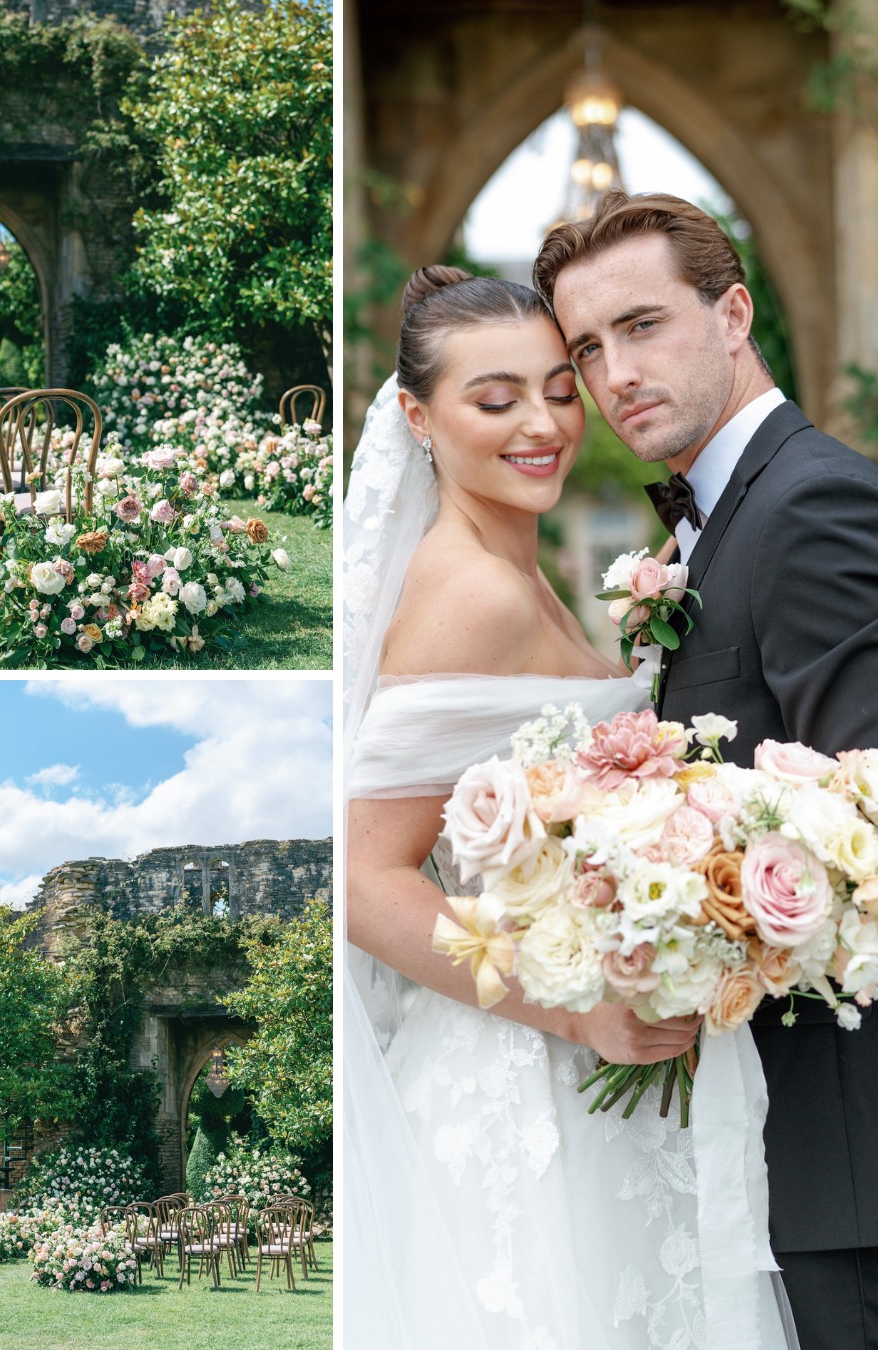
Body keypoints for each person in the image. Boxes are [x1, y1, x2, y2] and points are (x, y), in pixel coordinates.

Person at [344, 264, 796, 1349]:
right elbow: (363, 880)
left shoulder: (526, 571)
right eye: (494, 401)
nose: (544, 424)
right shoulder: (473, 594)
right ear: (417, 416)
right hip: (522, 1087)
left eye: (558, 385)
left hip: (603, 1061)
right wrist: (575, 1013)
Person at [533, 189, 878, 1350]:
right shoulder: (714, 521)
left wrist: (677, 901)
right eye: (587, 347)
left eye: (643, 326)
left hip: (854, 1150)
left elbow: (865, 820)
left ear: (733, 313)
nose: (613, 371)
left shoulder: (809, 500)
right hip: (782, 1141)